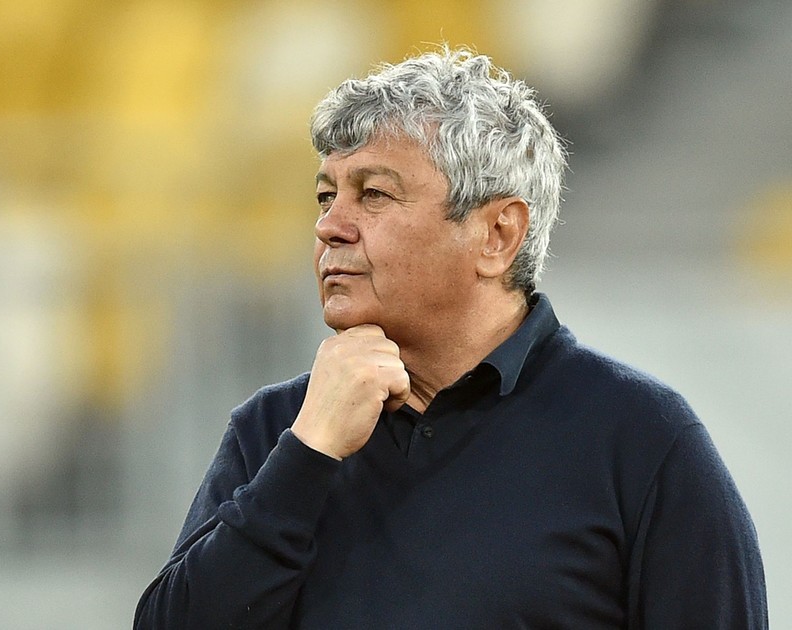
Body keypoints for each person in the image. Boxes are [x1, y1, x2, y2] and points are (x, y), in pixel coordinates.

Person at [133, 48, 768, 629]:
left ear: (497, 235)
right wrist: (307, 455)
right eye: (326, 197)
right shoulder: (276, 429)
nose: (330, 226)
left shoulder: (642, 441)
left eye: (373, 194)